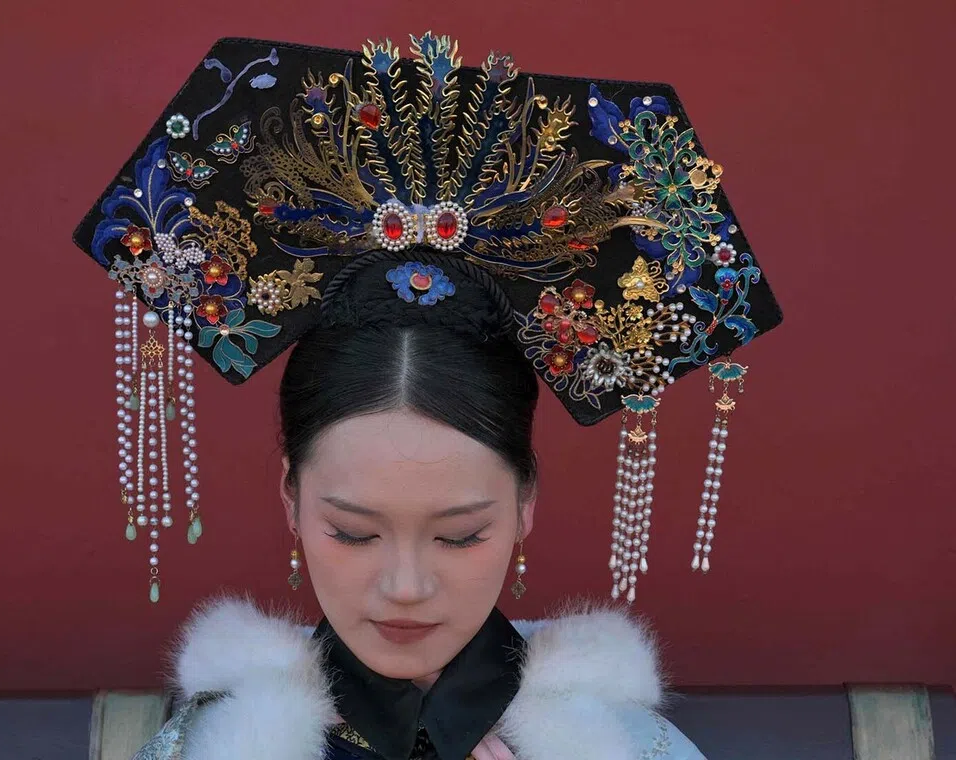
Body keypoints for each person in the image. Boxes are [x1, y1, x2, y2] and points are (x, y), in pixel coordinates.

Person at [71, 33, 782, 760]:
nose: (406, 588)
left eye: (460, 535)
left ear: (524, 505)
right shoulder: (204, 750)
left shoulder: (635, 749)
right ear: (291, 498)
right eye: (352, 532)